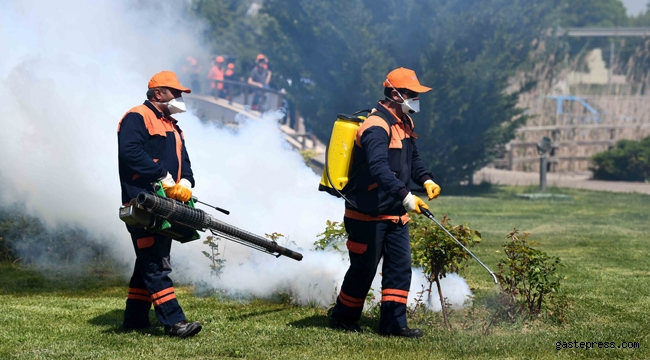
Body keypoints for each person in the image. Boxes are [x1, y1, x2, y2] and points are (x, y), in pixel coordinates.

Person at [328, 67, 442, 338]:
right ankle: (343, 318)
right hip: (367, 213)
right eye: (412, 94)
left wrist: (426, 180)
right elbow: (379, 169)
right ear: (395, 94)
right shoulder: (375, 126)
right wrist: (406, 196)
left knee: (399, 270)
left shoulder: (404, 123)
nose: (416, 98)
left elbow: (412, 159)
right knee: (363, 270)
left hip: (393, 214)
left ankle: (393, 325)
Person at [117, 70, 202, 338]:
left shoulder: (173, 125)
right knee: (155, 263)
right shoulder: (136, 117)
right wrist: (161, 176)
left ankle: (135, 319)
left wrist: (186, 182)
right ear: (158, 94)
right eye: (174, 92)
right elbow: (130, 152)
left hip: (168, 203)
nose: (179, 97)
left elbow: (184, 162)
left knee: (148, 262)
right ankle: (175, 323)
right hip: (143, 202)